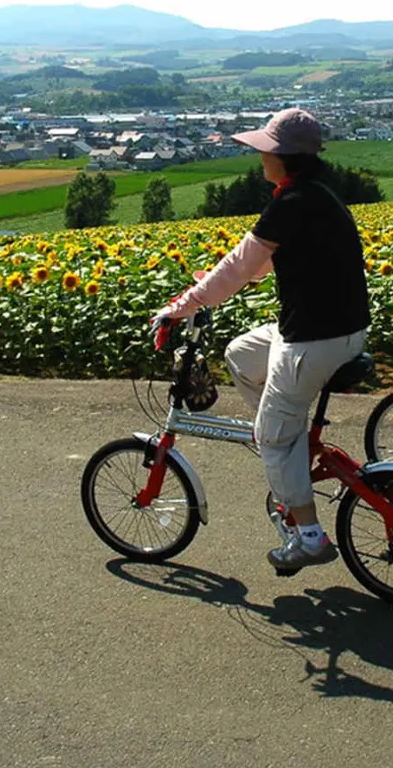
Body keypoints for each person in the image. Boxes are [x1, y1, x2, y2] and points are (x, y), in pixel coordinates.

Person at [152, 108, 370, 570]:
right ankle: (283, 437)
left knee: (272, 437)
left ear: (282, 157)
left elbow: (238, 265)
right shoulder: (316, 197)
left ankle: (309, 535)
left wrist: (182, 306)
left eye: (264, 152)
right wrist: (212, 285)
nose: (258, 159)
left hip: (314, 339)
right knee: (241, 354)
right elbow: (269, 260)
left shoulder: (288, 204)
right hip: (340, 331)